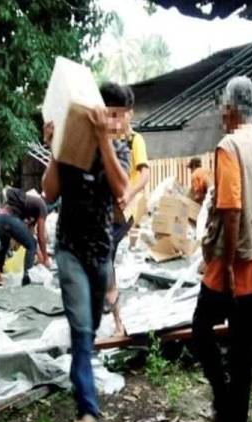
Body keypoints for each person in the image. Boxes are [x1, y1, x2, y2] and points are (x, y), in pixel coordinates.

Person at [193, 76, 252, 422]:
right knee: (243, 360)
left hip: (231, 268)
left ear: (229, 108)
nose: (219, 112)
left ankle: (223, 403)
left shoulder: (229, 146)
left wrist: (227, 266)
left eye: (220, 106)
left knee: (201, 329)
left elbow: (230, 207)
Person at [42, 82, 131, 422]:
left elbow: (121, 187)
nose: (114, 121)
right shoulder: (70, 144)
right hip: (69, 249)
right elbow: (49, 192)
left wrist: (103, 139)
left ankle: (84, 387)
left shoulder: (119, 146)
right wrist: (54, 148)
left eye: (118, 116)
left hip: (100, 252)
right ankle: (87, 411)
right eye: (110, 113)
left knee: (90, 329)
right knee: (80, 330)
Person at [104, 83, 150, 337]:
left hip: (123, 213)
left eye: (120, 113)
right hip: (105, 213)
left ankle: (118, 321)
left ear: (129, 113)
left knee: (105, 258)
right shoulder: (108, 140)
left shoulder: (135, 140)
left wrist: (128, 193)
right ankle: (110, 312)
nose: (117, 119)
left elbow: (144, 173)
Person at [0, 187, 50, 286]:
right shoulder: (42, 206)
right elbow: (40, 237)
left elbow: (29, 233)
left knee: (4, 245)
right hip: (8, 218)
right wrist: (45, 258)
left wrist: (38, 253)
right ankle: (27, 279)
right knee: (32, 245)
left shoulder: (28, 203)